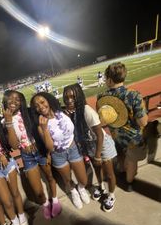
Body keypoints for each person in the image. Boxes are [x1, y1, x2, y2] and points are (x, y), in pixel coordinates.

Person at [2, 90, 62, 219]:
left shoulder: (29, 112)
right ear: (5, 101)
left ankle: (55, 200)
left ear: (22, 101)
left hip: (40, 150)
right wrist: (8, 121)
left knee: (50, 177)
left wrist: (47, 151)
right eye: (10, 99)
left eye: (17, 99)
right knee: (37, 189)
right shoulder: (5, 122)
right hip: (27, 156)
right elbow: (13, 145)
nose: (13, 101)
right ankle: (46, 204)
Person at [30, 92, 90, 209]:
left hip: (73, 148)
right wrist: (44, 129)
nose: (40, 107)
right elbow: (51, 147)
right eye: (36, 106)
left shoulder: (62, 111)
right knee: (67, 180)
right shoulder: (40, 125)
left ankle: (81, 188)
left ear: (48, 100)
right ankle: (73, 191)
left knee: (83, 179)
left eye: (42, 102)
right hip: (58, 154)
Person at [63, 84, 117, 212]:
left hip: (101, 145)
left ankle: (111, 196)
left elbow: (99, 135)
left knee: (109, 174)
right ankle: (101, 187)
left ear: (79, 96)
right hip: (91, 145)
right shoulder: (76, 111)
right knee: (97, 170)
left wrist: (98, 155)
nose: (69, 100)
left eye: (72, 97)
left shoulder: (87, 110)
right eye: (66, 98)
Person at [97, 62, 148, 192]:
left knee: (120, 155)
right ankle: (129, 182)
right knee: (132, 161)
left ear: (109, 79)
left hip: (115, 136)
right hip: (133, 139)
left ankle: (122, 169)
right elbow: (143, 122)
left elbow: (102, 120)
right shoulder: (134, 95)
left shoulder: (102, 97)